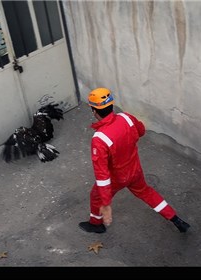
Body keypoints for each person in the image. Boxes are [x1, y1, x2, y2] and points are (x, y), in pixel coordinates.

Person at [79, 87, 190, 234]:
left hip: (117, 178)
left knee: (96, 196)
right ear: (111, 105)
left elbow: (102, 175)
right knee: (146, 192)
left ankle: (96, 224)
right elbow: (141, 131)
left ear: (94, 111)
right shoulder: (126, 118)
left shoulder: (99, 139)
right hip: (134, 170)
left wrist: (106, 203)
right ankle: (175, 219)